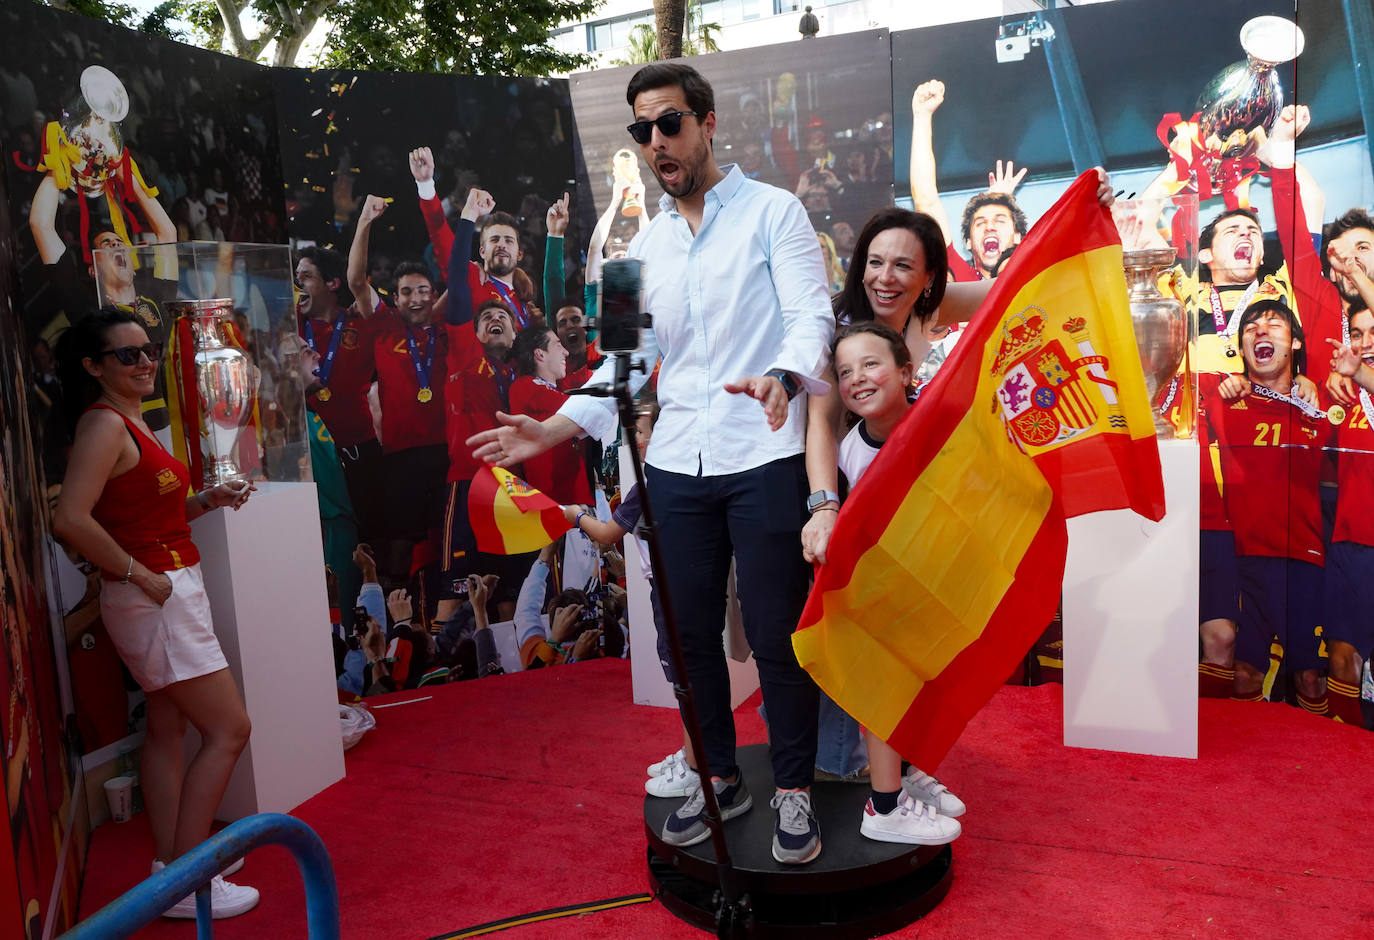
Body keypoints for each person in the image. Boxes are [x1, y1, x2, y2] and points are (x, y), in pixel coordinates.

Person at [469, 62, 836, 865]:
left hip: (766, 452)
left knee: (776, 636)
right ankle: (717, 781)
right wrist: (550, 430)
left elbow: (812, 317)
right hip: (674, 467)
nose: (656, 143)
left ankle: (796, 792)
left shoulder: (775, 214)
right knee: (687, 635)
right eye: (641, 130)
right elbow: (623, 367)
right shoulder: (634, 256)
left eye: (669, 123)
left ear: (707, 124)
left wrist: (782, 377)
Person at [50, 307, 259, 919]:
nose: (144, 362)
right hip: (154, 594)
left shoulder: (125, 421)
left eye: (148, 350)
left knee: (169, 731)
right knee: (229, 729)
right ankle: (189, 880)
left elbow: (133, 513)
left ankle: (173, 862)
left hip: (163, 585)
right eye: (127, 355)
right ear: (93, 367)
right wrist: (137, 574)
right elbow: (70, 520)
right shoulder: (105, 425)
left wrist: (203, 500)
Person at [823, 321, 964, 844]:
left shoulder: (940, 423)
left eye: (871, 364)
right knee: (885, 692)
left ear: (907, 371)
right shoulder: (844, 454)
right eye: (844, 371)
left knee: (921, 690)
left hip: (934, 584)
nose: (858, 378)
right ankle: (884, 805)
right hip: (877, 594)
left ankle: (908, 774)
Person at [1199, 300, 1331, 708]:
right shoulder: (1221, 392)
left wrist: (1308, 383)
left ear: (1293, 344)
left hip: (1304, 557)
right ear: (1240, 347)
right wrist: (1225, 382)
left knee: (1310, 678)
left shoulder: (1323, 402)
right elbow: (1162, 375)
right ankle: (1244, 765)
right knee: (1244, 672)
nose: (1261, 331)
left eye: (1274, 325)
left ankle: (1322, 763)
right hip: (1244, 556)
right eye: (1251, 327)